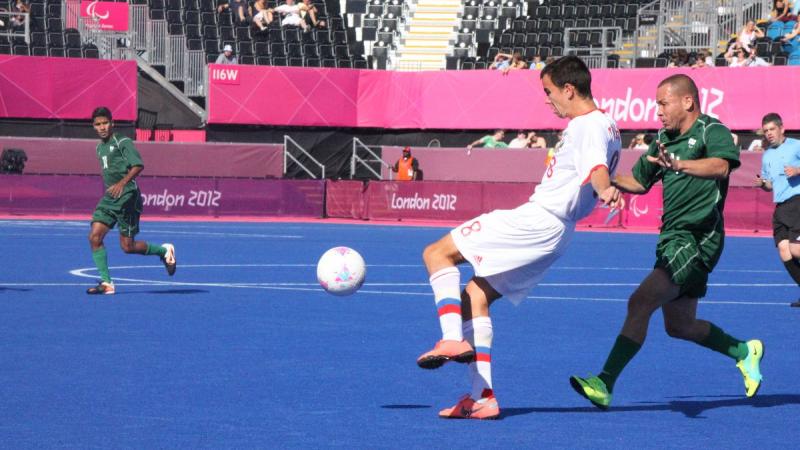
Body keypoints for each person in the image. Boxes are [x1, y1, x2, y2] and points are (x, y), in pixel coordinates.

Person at [416, 56, 623, 420]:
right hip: (558, 234)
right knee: (475, 296)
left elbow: (598, 171)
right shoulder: (608, 125)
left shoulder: (586, 125)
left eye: (549, 92)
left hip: (539, 220)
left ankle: (451, 338)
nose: (548, 100)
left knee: (437, 253)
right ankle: (483, 398)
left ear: (569, 89)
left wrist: (604, 189)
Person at [569, 74, 763, 410]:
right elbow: (640, 182)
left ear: (687, 101)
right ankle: (744, 351)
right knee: (680, 326)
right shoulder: (662, 139)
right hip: (672, 238)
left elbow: (721, 166)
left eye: (663, 103)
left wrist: (682, 164)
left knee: (640, 301)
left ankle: (604, 382)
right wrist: (604, 179)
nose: (657, 111)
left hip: (698, 239)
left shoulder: (710, 130)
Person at [86, 107, 177, 295]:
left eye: (105, 123)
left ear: (112, 123)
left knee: (127, 246)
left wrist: (122, 183)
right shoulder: (99, 147)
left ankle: (163, 251)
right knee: (95, 238)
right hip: (111, 198)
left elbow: (138, 165)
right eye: (98, 124)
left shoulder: (123, 142)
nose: (102, 127)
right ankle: (107, 283)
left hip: (128, 196)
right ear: (93, 126)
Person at [754, 112, 800, 307]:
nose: (769, 134)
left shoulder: (796, 145)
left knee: (795, 249)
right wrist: (763, 184)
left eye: (772, 129)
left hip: (798, 201)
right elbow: (770, 185)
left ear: (782, 129)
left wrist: (798, 170)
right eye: (766, 131)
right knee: (784, 251)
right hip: (780, 207)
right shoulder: (767, 156)